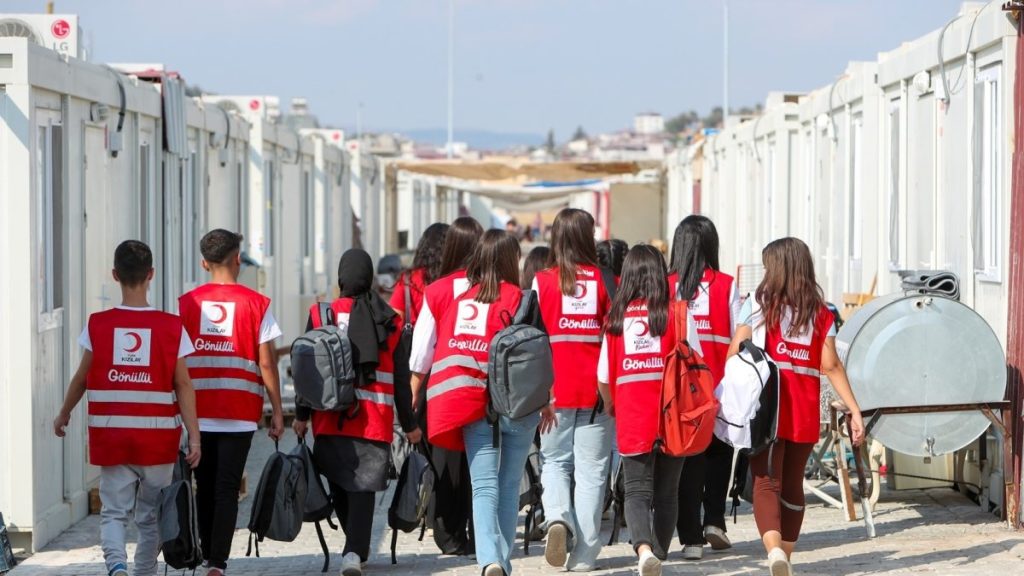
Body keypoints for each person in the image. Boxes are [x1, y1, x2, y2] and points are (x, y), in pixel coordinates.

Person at [410, 230, 557, 576]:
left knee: (484, 485)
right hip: (519, 405)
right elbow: (539, 354)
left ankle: (490, 559)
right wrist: (547, 400)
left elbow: (436, 351)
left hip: (474, 405)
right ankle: (501, 560)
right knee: (508, 484)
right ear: (510, 260)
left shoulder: (461, 302)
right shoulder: (522, 299)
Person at [53, 240, 201, 576]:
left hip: (113, 437)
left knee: (114, 512)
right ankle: (142, 573)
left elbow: (81, 378)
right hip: (158, 442)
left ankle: (116, 566)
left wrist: (64, 412)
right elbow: (184, 385)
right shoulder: (171, 327)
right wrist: (194, 437)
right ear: (151, 275)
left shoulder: (98, 325)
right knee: (150, 516)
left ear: (115, 275)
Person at [728, 237, 864, 576]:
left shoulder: (757, 307)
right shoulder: (821, 312)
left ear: (774, 269)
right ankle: (785, 554)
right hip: (802, 411)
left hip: (766, 413)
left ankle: (774, 551)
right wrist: (854, 409)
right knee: (792, 485)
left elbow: (734, 354)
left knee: (765, 482)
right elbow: (830, 365)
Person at [293, 249, 411, 576]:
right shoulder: (390, 320)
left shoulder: (320, 315)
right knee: (363, 490)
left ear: (341, 278)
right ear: (370, 277)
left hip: (329, 419)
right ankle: (354, 551)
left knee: (341, 485)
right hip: (374, 420)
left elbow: (306, 371)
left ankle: (353, 550)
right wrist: (411, 424)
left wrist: (301, 417)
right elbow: (401, 379)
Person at [177, 229, 285, 576]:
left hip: (197, 414)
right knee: (226, 486)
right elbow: (267, 363)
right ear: (238, 259)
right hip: (238, 414)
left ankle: (205, 550)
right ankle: (216, 562)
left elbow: (176, 363)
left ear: (203, 263)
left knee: (203, 487)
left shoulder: (186, 304)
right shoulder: (257, 304)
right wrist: (277, 412)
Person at [597, 245, 699, 576]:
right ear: (660, 275)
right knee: (668, 491)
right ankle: (659, 552)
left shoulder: (615, 318)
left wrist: (611, 401)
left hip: (631, 412)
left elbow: (602, 375)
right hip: (674, 414)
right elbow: (697, 364)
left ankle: (642, 550)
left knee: (637, 490)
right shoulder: (679, 314)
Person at [533, 208, 614, 571]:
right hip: (597, 393)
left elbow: (533, 341)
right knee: (592, 472)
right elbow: (614, 341)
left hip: (553, 394)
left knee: (554, 462)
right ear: (587, 237)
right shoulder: (604, 280)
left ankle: (557, 518)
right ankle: (584, 556)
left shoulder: (542, 281)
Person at [409, 216, 485, 556]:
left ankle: (450, 534)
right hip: (483, 390)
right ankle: (480, 530)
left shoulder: (436, 290)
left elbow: (420, 353)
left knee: (446, 466)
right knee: (480, 465)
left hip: (442, 392)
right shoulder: (493, 288)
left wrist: (411, 395)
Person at [667, 215, 741, 560]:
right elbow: (740, 339)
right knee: (720, 451)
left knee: (687, 459)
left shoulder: (668, 286)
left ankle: (691, 539)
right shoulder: (727, 285)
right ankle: (714, 520)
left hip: (680, 390)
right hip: (720, 385)